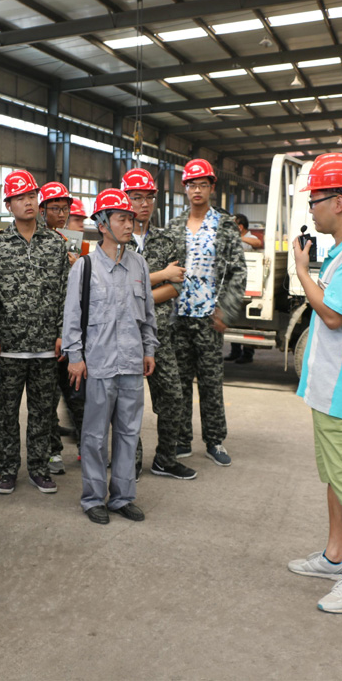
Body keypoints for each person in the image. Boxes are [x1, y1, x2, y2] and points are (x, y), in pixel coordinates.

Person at [288, 153, 342, 614]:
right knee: (334, 477)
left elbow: (335, 316)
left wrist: (302, 271)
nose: (312, 210)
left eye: (316, 201)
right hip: (329, 383)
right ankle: (335, 554)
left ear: (339, 202)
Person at [63, 189, 158, 525]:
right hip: (99, 365)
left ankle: (121, 497)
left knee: (129, 434)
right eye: (122, 218)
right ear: (103, 225)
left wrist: (149, 349)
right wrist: (75, 356)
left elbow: (147, 313)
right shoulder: (85, 268)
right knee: (93, 436)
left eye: (131, 218)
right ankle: (92, 499)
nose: (129, 223)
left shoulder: (139, 265)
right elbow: (72, 316)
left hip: (132, 364)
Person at [0, 170, 68, 495]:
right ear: (9, 204)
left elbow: (63, 293)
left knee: (42, 413)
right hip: (8, 347)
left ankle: (38, 468)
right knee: (6, 413)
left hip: (47, 346)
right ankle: (7, 470)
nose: (28, 202)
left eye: (32, 196)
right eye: (20, 198)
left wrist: (62, 333)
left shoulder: (55, 245)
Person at [166, 159, 246, 467]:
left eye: (202, 185)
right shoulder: (174, 226)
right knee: (180, 381)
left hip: (209, 317)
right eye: (191, 185)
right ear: (184, 189)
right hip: (178, 315)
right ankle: (182, 438)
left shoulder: (224, 225)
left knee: (211, 382)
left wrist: (225, 308)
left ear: (212, 188)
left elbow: (238, 271)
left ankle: (215, 440)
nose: (196, 190)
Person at [122, 169, 196, 481]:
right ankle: (130, 462)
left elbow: (176, 286)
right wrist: (160, 276)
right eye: (136, 197)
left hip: (158, 334)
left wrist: (140, 293)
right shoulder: (115, 238)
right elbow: (114, 284)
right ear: (125, 199)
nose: (143, 204)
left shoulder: (169, 240)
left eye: (149, 197)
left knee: (173, 398)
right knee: (127, 403)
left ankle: (165, 459)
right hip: (122, 335)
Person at [38, 181, 78, 474]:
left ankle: (77, 441)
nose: (61, 214)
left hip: (70, 330)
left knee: (72, 392)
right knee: (46, 397)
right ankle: (52, 450)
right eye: (55, 209)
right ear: (42, 211)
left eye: (65, 209)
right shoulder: (36, 243)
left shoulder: (74, 242)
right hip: (43, 332)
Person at [226, 213, 262, 364]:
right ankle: (235, 351)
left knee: (246, 322)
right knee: (235, 320)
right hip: (234, 284)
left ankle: (247, 353)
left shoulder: (250, 238)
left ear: (240, 227)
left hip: (247, 283)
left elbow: (258, 243)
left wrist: (237, 237)